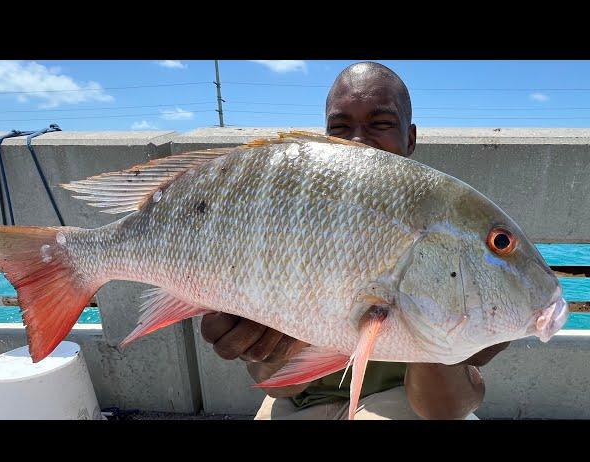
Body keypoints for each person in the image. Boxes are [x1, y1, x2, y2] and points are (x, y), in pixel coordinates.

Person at [201, 61, 510, 420]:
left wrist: (447, 340)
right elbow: (279, 387)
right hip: (299, 402)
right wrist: (262, 348)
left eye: (380, 124)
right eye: (340, 127)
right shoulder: (285, 221)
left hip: (404, 402)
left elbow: (446, 409)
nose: (359, 142)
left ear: (410, 138)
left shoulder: (448, 223)